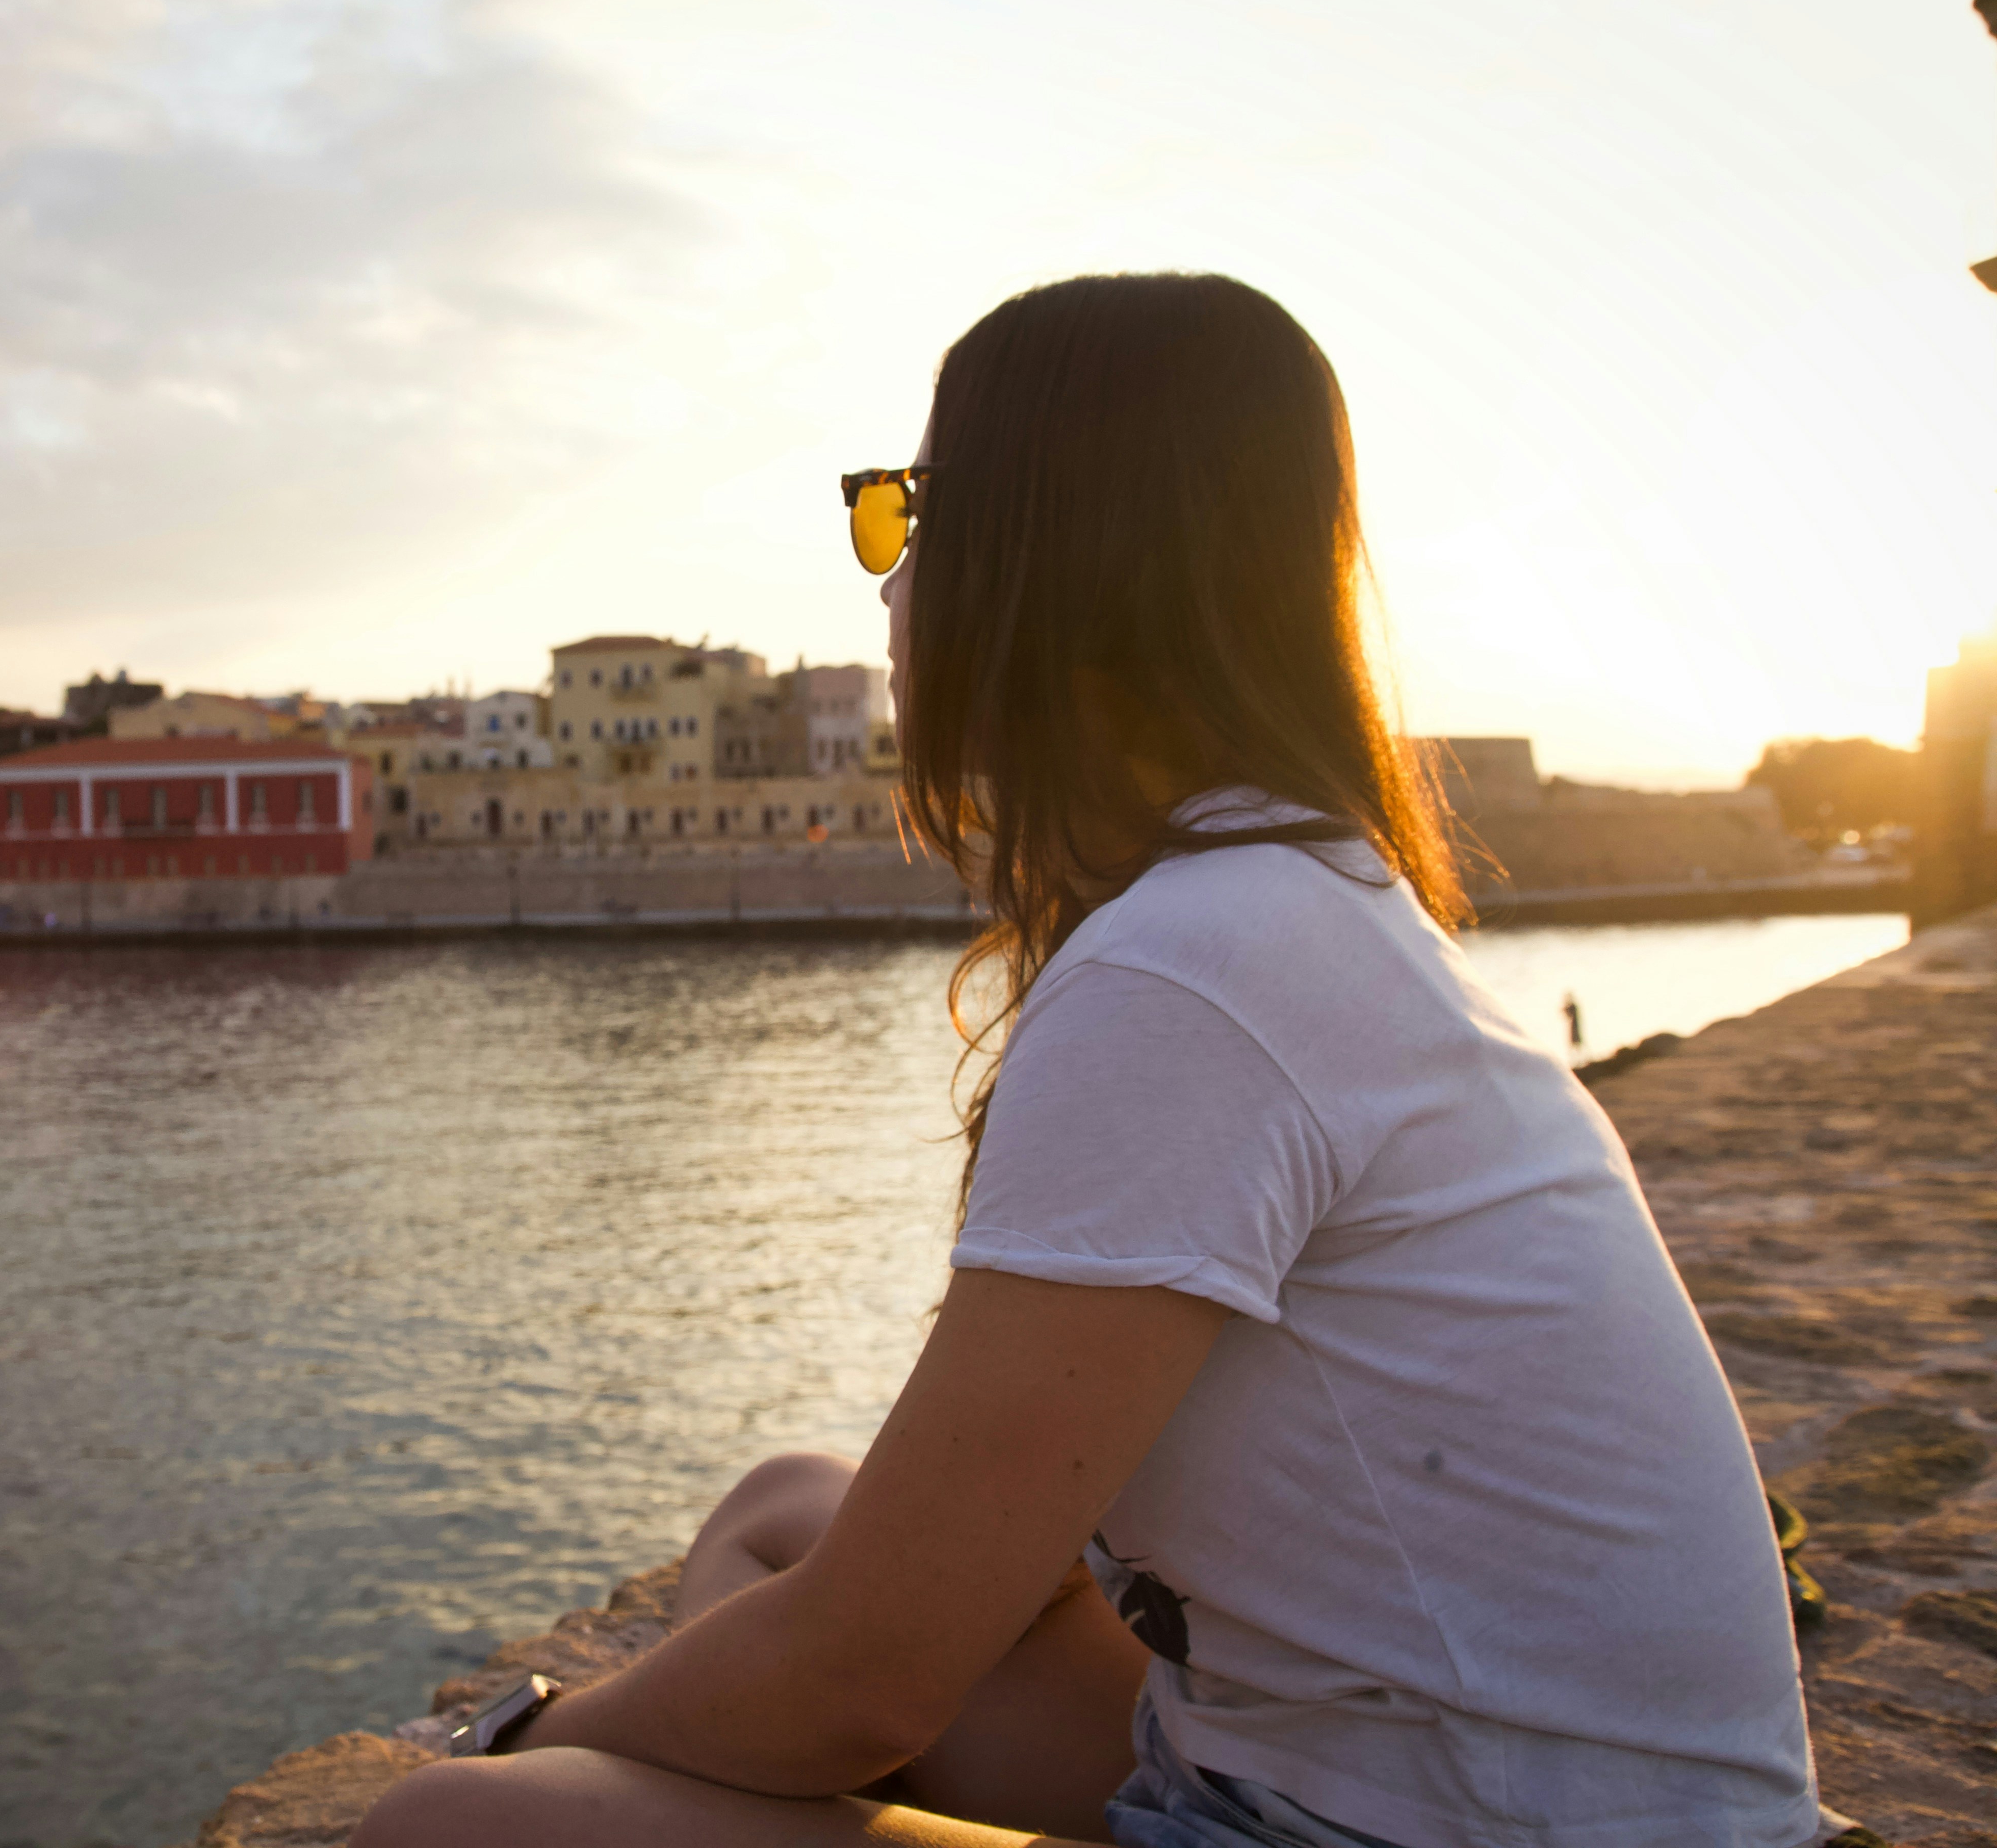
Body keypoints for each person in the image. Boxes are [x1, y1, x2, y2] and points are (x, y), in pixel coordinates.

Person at [350, 274, 1824, 1848]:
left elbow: (867, 1682)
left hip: (1457, 1829)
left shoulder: (1191, 972)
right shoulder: (1297, 895)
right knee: (791, 1508)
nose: (888, 590)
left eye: (913, 518)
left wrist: (533, 1736)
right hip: (1456, 1786)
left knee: (449, 1829)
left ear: (1045, 559)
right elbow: (986, 1563)